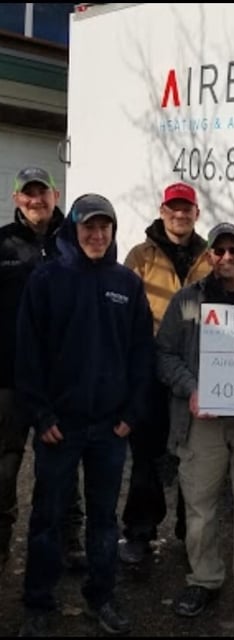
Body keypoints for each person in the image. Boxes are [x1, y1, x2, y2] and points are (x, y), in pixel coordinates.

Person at [16, 194, 155, 637]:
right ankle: (39, 603)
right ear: (72, 230)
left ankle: (102, 597)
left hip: (109, 428)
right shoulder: (46, 280)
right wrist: (41, 415)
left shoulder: (127, 284)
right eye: (88, 227)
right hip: (60, 426)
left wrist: (132, 414)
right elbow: (28, 354)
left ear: (113, 232)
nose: (97, 235)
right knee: (46, 518)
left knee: (103, 520)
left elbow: (140, 355)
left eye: (104, 227)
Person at [156, 222, 234, 631]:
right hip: (202, 421)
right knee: (200, 507)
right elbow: (164, 355)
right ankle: (204, 580)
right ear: (209, 256)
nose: (227, 258)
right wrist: (191, 389)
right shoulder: (188, 301)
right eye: (219, 251)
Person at [119, 182, 210, 565]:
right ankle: (140, 533)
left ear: (196, 213)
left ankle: (191, 538)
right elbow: (124, 314)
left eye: (186, 208)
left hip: (197, 372)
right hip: (151, 373)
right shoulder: (140, 256)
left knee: (195, 459)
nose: (179, 214)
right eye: (173, 208)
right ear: (162, 210)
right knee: (147, 456)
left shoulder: (211, 257)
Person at [0, 167, 86, 575]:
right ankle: (2, 542)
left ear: (55, 195)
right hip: (9, 379)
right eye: (27, 193)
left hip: (60, 380)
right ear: (17, 199)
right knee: (5, 466)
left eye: (43, 192)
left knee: (63, 465)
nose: (36, 200)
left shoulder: (75, 242)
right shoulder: (1, 244)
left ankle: (69, 540)